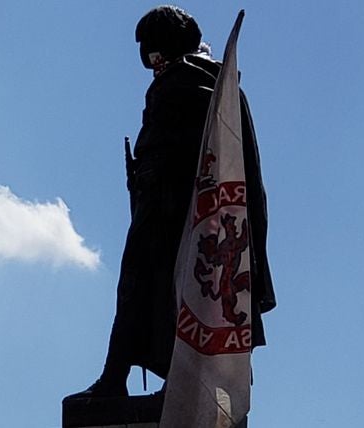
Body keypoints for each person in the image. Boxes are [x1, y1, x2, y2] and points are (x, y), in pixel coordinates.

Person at [67, 5, 275, 399]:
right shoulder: (211, 84)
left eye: (151, 51)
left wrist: (150, 178)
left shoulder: (186, 81)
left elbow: (183, 154)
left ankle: (125, 382)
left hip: (174, 215)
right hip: (173, 211)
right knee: (161, 297)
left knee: (150, 293)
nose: (149, 62)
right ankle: (146, 381)